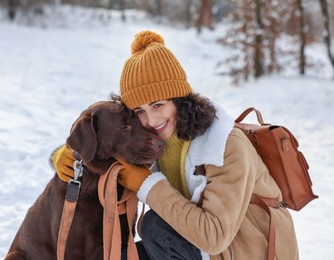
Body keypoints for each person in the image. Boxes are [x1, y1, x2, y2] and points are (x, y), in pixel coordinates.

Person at [51, 30, 299, 260]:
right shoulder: (161, 139)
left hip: (250, 249)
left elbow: (214, 237)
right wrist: (71, 154)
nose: (151, 120)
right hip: (199, 246)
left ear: (179, 98)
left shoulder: (227, 145)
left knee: (154, 227)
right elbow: (107, 143)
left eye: (158, 105)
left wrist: (147, 184)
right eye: (140, 111)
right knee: (122, 254)